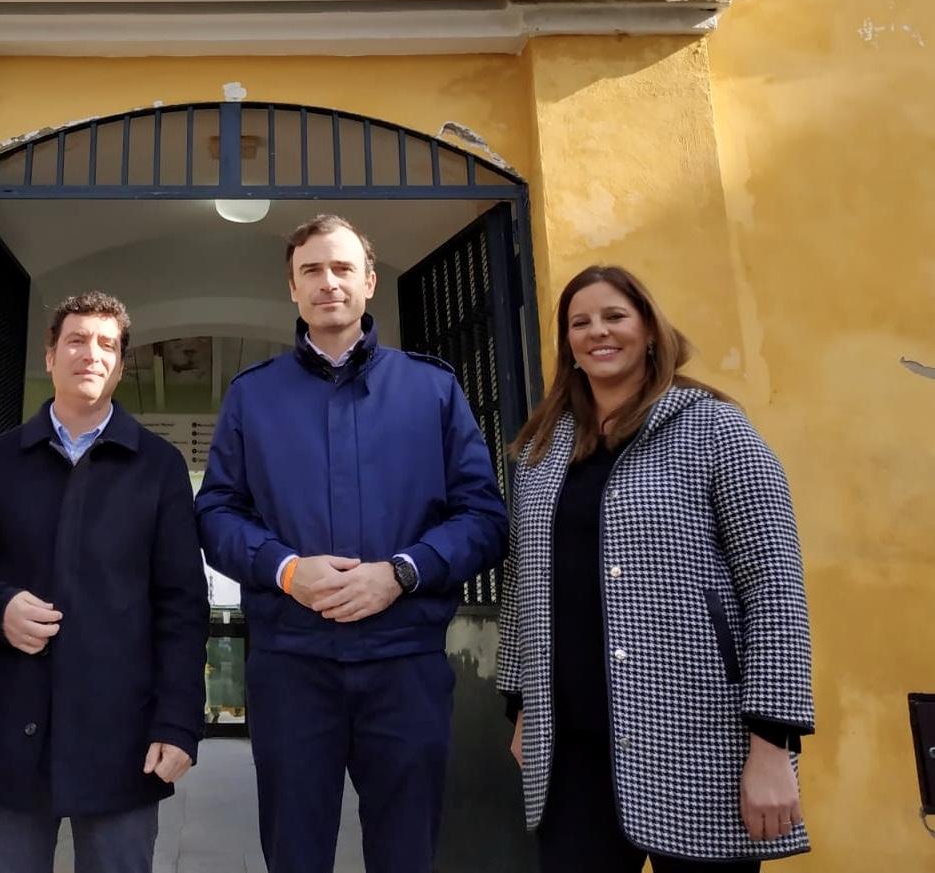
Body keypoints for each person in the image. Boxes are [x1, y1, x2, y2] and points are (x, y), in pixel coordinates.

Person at [196, 214, 509, 873]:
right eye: (311, 269)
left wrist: (401, 572)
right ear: (292, 289)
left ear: (369, 281)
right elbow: (217, 513)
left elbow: (484, 516)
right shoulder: (253, 398)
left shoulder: (433, 389)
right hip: (291, 666)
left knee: (404, 854)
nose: (328, 282)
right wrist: (285, 570)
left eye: (342, 268)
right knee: (294, 853)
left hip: (404, 664)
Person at [495, 264, 814, 872]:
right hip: (571, 748)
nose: (597, 332)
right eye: (579, 323)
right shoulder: (541, 450)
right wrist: (522, 706)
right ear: (567, 343)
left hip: (697, 740)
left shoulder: (714, 428)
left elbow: (776, 587)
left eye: (614, 316)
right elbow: (522, 586)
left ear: (648, 329)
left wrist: (773, 743)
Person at [0, 291, 209, 873]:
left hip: (122, 733)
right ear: (50, 356)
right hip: (7, 726)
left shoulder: (159, 466)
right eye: (75, 340)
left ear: (121, 363)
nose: (90, 354)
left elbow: (182, 604)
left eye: (106, 344)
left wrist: (178, 721)